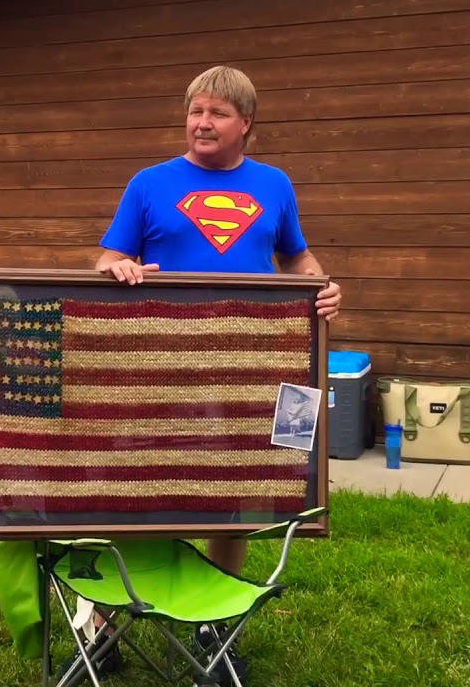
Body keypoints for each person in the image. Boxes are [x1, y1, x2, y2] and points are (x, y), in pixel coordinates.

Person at [85, 65, 343, 685]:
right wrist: (116, 270)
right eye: (196, 111)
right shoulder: (149, 184)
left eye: (218, 113)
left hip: (245, 369)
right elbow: (105, 258)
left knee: (237, 493)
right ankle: (99, 624)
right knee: (127, 486)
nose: (203, 123)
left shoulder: (275, 185)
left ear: (246, 124)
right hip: (157, 369)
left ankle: (214, 622)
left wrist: (323, 284)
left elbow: (296, 255)